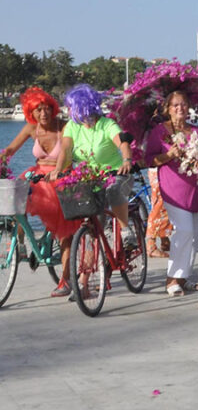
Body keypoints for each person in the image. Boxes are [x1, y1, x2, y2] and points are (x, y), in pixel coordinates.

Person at [0, 87, 81, 296]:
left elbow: (65, 152)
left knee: (64, 230)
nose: (43, 114)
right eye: (38, 110)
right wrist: (3, 158)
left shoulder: (63, 127)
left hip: (59, 175)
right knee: (16, 197)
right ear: (31, 112)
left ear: (53, 109)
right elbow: (11, 149)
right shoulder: (30, 128)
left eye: (46, 109)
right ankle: (19, 244)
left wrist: (58, 171)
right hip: (37, 174)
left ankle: (66, 280)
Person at [145, 91, 198, 297]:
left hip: (197, 189)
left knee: (192, 237)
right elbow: (150, 160)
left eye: (183, 104)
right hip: (173, 189)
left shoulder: (197, 133)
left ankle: (183, 278)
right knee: (183, 231)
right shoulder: (159, 132)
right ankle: (171, 278)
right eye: (175, 105)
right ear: (168, 108)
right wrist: (169, 155)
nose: (179, 108)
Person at [53, 84, 135, 249]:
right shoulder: (72, 126)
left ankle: (126, 229)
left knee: (113, 190)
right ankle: (96, 256)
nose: (68, 111)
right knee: (87, 209)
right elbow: (66, 149)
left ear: (82, 106)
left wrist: (126, 160)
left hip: (115, 173)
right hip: (91, 177)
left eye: (71, 107)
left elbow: (123, 143)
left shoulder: (107, 125)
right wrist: (58, 169)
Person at [145, 168, 171, 259]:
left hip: (160, 169)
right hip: (159, 170)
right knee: (160, 205)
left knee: (163, 204)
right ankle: (151, 245)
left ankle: (164, 239)